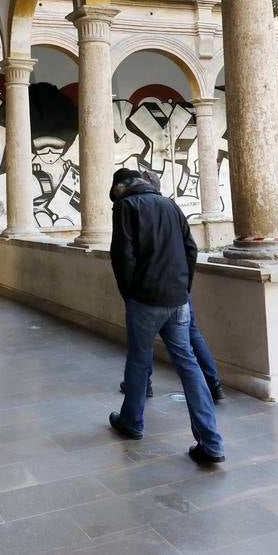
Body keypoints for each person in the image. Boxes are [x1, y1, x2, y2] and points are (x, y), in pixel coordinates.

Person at [106, 168, 224, 465]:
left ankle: (132, 422)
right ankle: (211, 442)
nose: (113, 199)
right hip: (178, 299)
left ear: (122, 187)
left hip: (145, 300)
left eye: (114, 194)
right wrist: (183, 286)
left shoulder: (125, 206)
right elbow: (191, 248)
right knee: (188, 364)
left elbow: (123, 255)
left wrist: (130, 293)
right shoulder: (170, 204)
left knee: (138, 360)